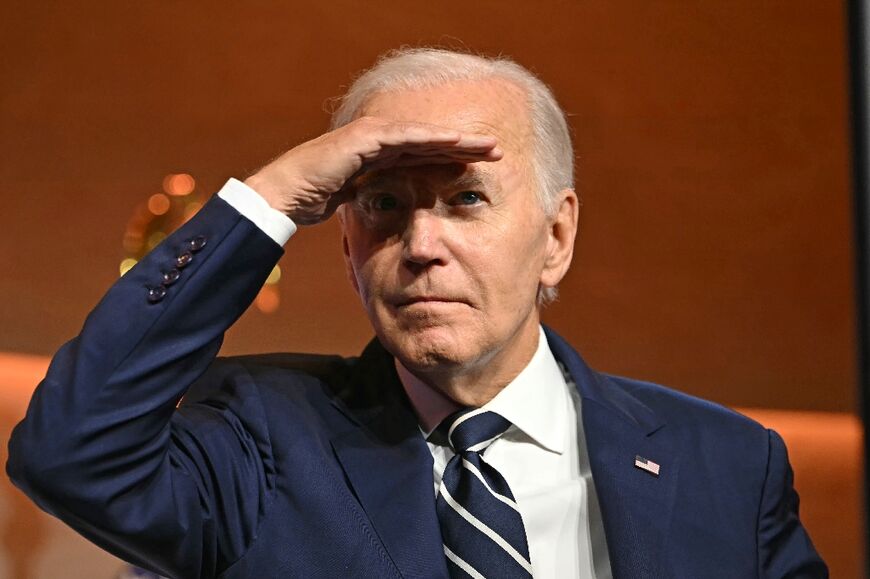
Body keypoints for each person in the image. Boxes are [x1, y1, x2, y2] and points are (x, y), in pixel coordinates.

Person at [7, 48, 826, 579]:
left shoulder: (726, 466)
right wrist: (282, 191)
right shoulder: (259, 437)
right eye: (385, 203)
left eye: (466, 199)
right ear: (348, 248)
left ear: (557, 236)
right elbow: (68, 453)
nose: (422, 242)